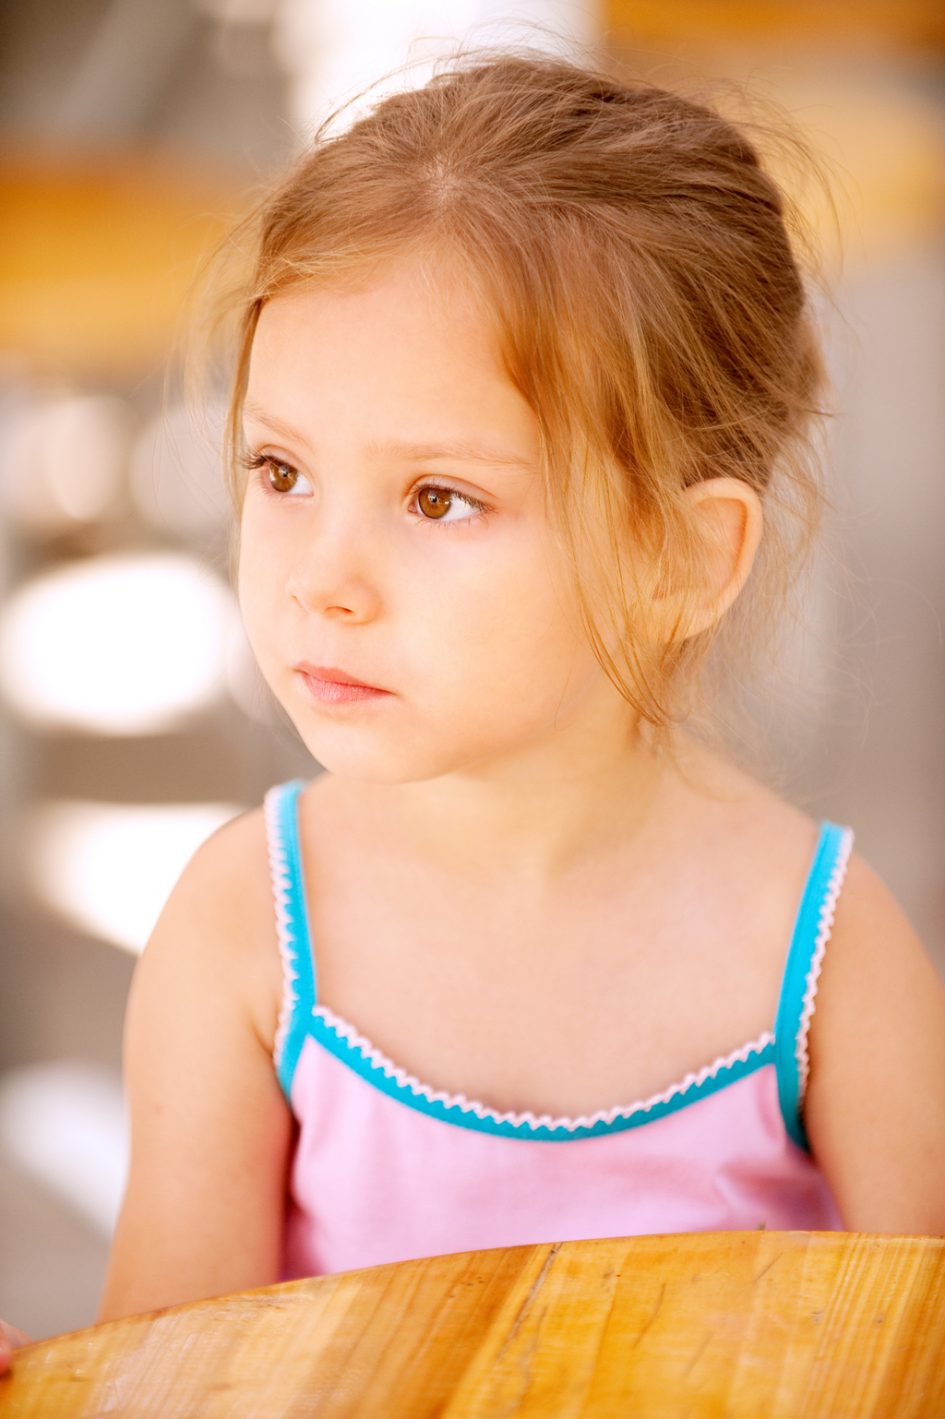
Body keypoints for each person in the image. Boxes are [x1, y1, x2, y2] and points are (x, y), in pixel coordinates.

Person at [3, 43, 945, 1370]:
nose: (321, 580)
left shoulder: (824, 958)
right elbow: (171, 1382)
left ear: (680, 560)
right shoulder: (249, 933)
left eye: (438, 498)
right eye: (281, 471)